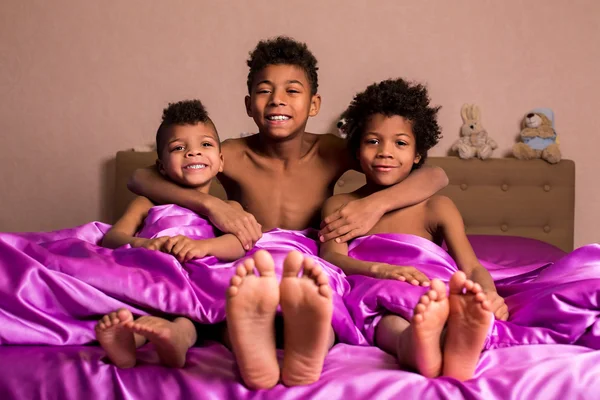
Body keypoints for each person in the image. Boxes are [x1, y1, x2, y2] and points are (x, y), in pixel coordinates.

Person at [128, 36, 449, 388]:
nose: (277, 99)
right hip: (250, 258)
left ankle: (308, 352)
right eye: (265, 91)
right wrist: (212, 204)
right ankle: (250, 353)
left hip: (312, 260)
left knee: (323, 307)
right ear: (249, 105)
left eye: (292, 91)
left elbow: (436, 174)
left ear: (314, 104)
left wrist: (375, 205)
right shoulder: (231, 154)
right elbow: (139, 176)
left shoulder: (331, 150)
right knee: (231, 302)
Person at [320, 78, 509, 381]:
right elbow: (331, 257)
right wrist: (380, 271)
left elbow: (471, 266)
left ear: (418, 154)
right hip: (376, 293)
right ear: (356, 150)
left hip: (432, 292)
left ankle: (454, 340)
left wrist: (488, 295)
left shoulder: (437, 207)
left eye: (401, 143)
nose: (385, 152)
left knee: (445, 309)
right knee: (388, 323)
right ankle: (419, 346)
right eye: (373, 141)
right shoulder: (341, 205)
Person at [95, 99, 245, 370]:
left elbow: (239, 245)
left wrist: (204, 247)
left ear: (221, 161)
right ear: (161, 166)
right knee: (151, 311)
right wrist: (145, 243)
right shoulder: (148, 202)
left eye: (206, 144)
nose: (193, 153)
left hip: (201, 283)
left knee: (198, 315)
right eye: (179, 148)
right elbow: (112, 238)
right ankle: (130, 339)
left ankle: (175, 338)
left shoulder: (228, 209)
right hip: (158, 278)